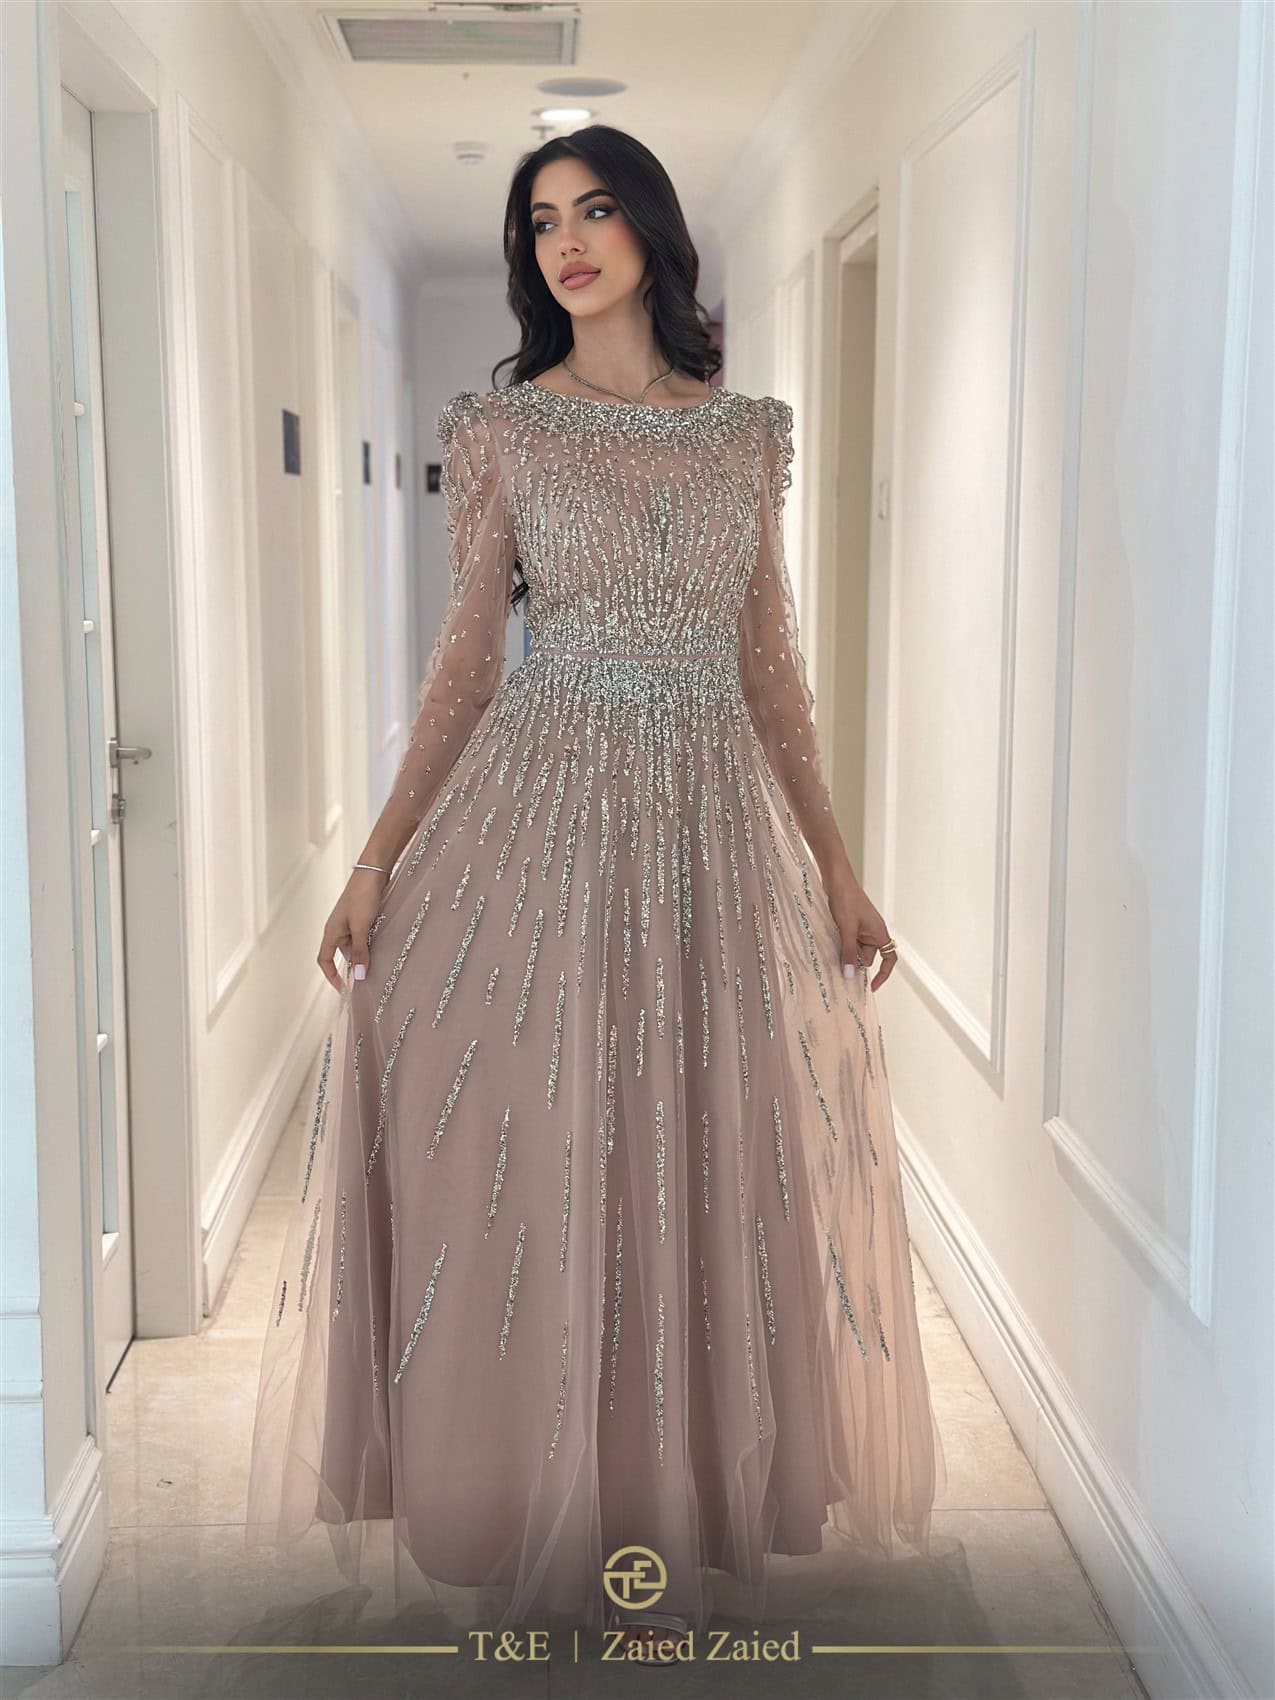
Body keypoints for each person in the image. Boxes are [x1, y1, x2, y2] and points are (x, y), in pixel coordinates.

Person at [245, 122, 944, 1660]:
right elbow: (463, 673)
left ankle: (665, 1524)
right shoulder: (505, 431)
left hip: (710, 835)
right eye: (542, 221)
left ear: (651, 233)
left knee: (698, 1140)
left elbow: (771, 669)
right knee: (544, 1141)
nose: (565, 242)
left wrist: (838, 865)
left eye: (596, 210)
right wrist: (375, 862)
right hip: (541, 823)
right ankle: (528, 1510)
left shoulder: (748, 436)